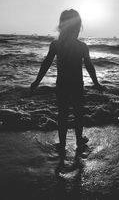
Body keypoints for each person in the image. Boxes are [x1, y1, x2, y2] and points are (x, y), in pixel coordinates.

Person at [31, 9, 103, 158]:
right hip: (77, 85)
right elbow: (89, 66)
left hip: (62, 85)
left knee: (62, 114)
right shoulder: (81, 46)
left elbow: (46, 64)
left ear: (61, 26)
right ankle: (79, 140)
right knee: (78, 113)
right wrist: (96, 83)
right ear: (78, 26)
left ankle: (62, 143)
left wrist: (37, 81)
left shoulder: (56, 45)